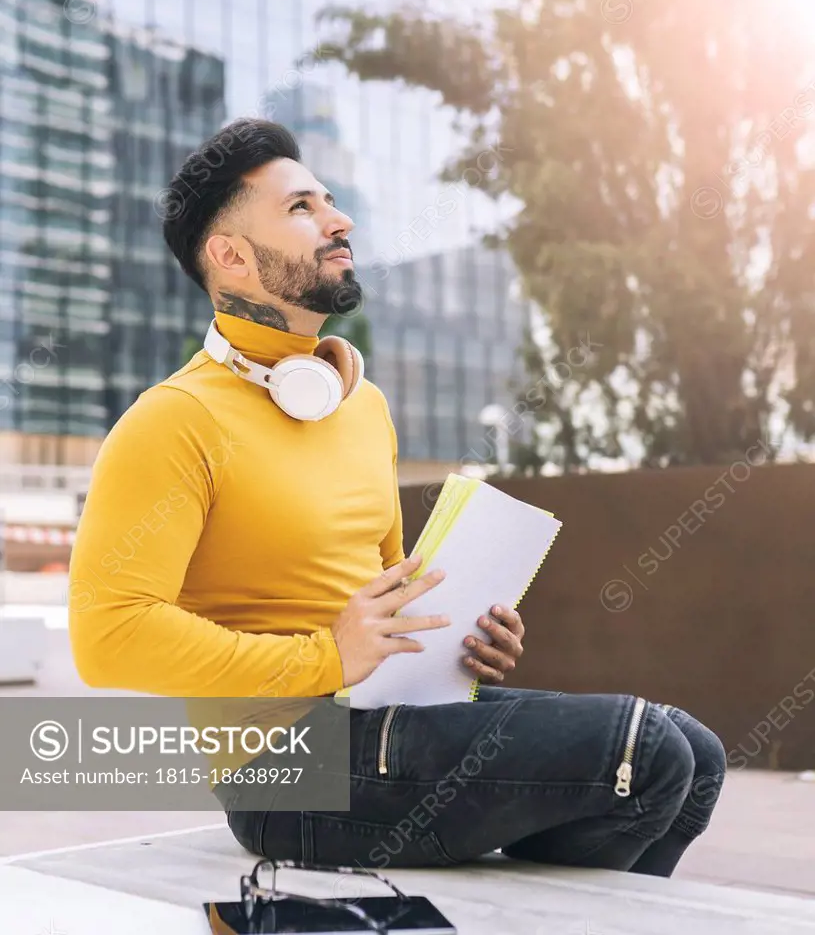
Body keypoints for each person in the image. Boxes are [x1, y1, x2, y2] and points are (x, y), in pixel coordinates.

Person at [69, 118, 725, 877]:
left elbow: (387, 595)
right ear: (229, 256)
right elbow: (107, 636)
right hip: (286, 769)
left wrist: (461, 644)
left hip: (388, 721)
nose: (338, 220)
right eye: (300, 209)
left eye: (330, 201)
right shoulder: (173, 421)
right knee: (640, 752)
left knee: (694, 757)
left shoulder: (360, 407)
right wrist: (324, 657)